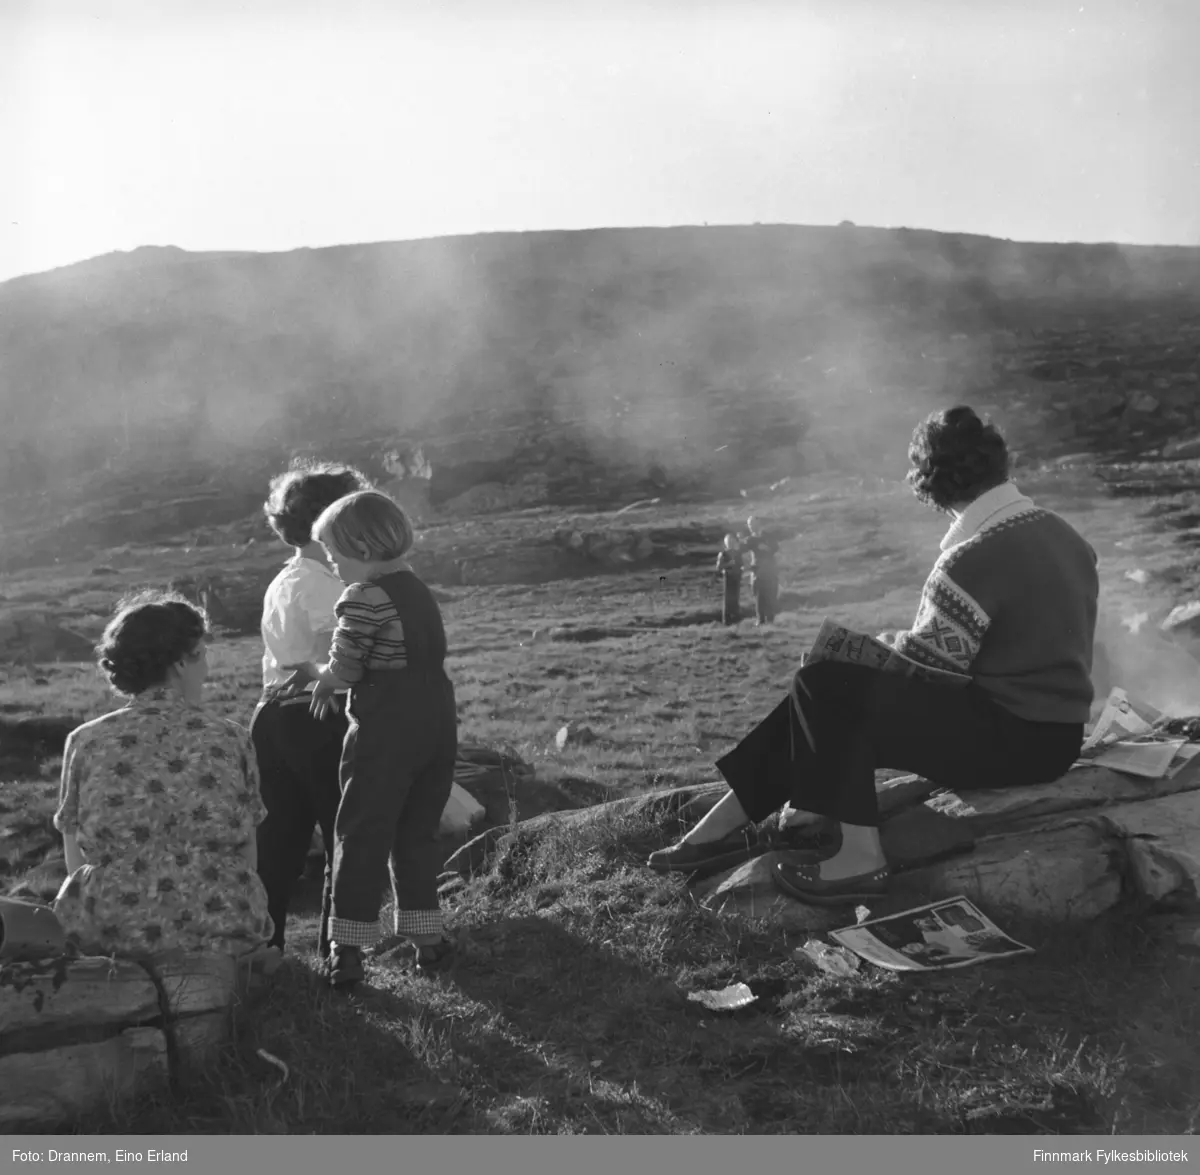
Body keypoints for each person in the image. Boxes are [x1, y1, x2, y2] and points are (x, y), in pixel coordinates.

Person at [649, 406, 1099, 905]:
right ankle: (721, 828)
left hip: (1008, 740)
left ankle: (857, 860)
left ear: (930, 485)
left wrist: (869, 651)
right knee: (823, 692)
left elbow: (935, 670)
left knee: (823, 684)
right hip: (1056, 737)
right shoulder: (1063, 535)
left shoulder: (971, 557)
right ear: (1000, 465)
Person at [285, 490, 458, 989]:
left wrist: (316, 677)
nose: (334, 566)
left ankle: (348, 948)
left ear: (361, 547)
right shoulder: (418, 590)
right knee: (416, 833)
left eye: (336, 555)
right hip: (436, 725)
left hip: (385, 731)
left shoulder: (362, 597)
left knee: (360, 832)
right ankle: (428, 941)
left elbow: (346, 668)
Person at [52, 592, 274, 958]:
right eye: (202, 654)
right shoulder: (230, 736)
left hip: (112, 929)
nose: (206, 669)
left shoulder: (85, 740)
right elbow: (246, 849)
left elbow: (75, 856)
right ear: (182, 663)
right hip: (220, 925)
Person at [251, 460, 372, 959]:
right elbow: (333, 658)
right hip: (318, 712)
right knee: (341, 832)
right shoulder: (325, 581)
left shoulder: (284, 579)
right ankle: (338, 952)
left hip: (272, 714)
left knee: (277, 843)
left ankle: (264, 950)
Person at [742, 516, 780, 626]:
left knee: (771, 594)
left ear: (759, 523)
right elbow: (742, 548)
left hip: (770, 570)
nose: (751, 527)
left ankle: (770, 619)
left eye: (753, 524)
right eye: (749, 525)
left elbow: (775, 547)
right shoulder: (750, 540)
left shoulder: (768, 536)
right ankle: (761, 620)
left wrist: (766, 548)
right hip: (757, 571)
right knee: (759, 595)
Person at [715, 534, 743, 626]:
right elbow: (719, 567)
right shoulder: (723, 554)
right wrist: (728, 564)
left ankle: (736, 620)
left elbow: (741, 564)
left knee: (736, 598)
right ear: (725, 543)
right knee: (728, 600)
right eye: (728, 541)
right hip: (728, 577)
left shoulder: (738, 553)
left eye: (732, 541)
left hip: (737, 577)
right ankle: (727, 621)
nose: (730, 543)